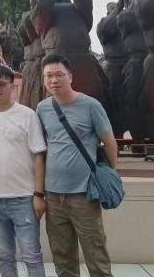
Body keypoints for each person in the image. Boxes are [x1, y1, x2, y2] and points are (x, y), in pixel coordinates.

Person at [37, 54, 118, 277]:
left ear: (70, 77)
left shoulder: (91, 105)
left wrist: (108, 174)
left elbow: (110, 143)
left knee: (96, 254)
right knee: (62, 257)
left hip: (84, 195)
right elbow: (41, 148)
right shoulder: (42, 108)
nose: (54, 80)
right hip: (54, 196)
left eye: (59, 75)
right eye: (49, 76)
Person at [0, 65, 46, 277]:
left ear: (12, 87)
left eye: (1, 84)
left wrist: (39, 194)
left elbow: (39, 155)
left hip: (24, 198)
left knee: (32, 256)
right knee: (4, 256)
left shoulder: (27, 115)